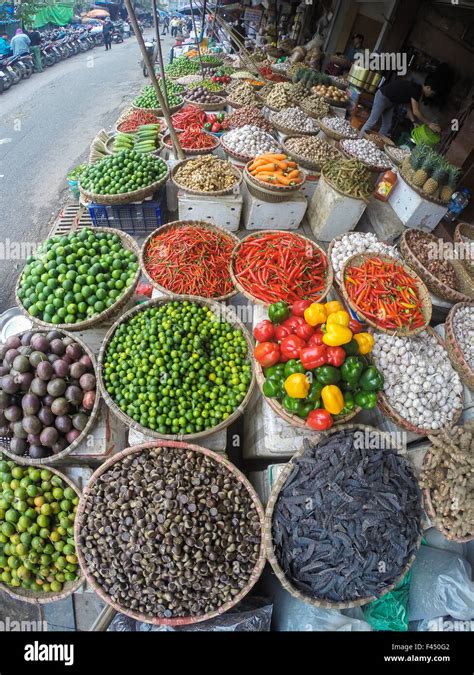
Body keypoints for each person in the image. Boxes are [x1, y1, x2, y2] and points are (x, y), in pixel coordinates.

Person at [360, 74, 442, 137]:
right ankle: (359, 140)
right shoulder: (417, 90)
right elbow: (416, 111)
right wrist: (429, 124)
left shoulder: (416, 90)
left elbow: (408, 107)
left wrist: (414, 122)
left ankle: (375, 145)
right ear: (428, 88)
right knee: (372, 121)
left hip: (390, 102)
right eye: (432, 93)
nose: (431, 95)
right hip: (383, 97)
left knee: (387, 125)